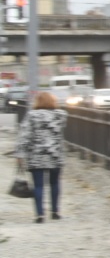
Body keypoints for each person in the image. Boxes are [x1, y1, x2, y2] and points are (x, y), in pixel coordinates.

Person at [14, 91, 66, 222]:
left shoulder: (32, 116)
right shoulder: (61, 115)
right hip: (55, 155)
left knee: (38, 186)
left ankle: (40, 215)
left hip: (36, 156)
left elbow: (25, 136)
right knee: (55, 183)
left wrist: (20, 154)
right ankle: (55, 212)